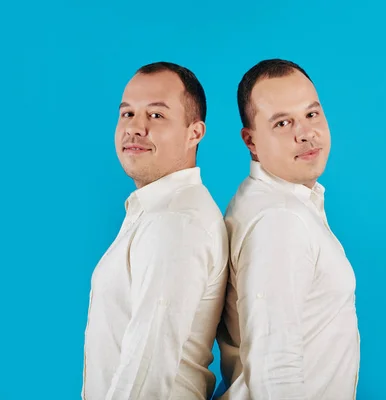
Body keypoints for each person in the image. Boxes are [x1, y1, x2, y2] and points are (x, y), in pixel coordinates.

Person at [82, 62, 228, 400]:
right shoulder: (158, 211)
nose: (135, 128)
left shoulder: (175, 222)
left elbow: (146, 371)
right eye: (127, 114)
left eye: (156, 115)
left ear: (195, 133)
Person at [216, 59, 360, 400]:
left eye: (312, 114)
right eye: (283, 122)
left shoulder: (283, 202)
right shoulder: (279, 220)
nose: (305, 133)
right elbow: (274, 369)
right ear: (251, 141)